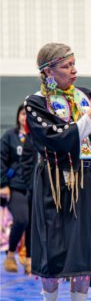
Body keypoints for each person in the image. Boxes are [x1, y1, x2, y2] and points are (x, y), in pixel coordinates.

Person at [25, 43, 91, 301]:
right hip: (55, 183)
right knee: (53, 249)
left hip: (88, 180)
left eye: (75, 64)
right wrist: (89, 116)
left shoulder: (83, 97)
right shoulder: (36, 103)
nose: (74, 70)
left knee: (84, 250)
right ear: (47, 72)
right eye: (66, 66)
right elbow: (58, 141)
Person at [1, 105, 35, 274]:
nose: (25, 117)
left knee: (32, 223)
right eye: (22, 113)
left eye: (28, 114)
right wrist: (3, 185)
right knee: (22, 219)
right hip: (15, 187)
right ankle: (10, 255)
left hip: (34, 187)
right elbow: (1, 161)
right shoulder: (9, 137)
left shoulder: (37, 137)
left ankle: (29, 260)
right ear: (18, 116)